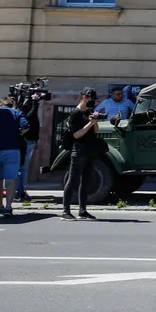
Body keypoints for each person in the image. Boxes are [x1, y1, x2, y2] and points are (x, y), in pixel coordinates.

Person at [62, 88, 101, 221]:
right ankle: (65, 211)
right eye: (90, 99)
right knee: (73, 180)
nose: (92, 102)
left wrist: (94, 120)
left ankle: (82, 211)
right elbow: (76, 134)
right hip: (79, 150)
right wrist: (90, 123)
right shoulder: (75, 113)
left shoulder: (88, 112)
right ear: (84, 97)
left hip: (90, 150)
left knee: (86, 181)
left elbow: (95, 131)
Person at [15, 90, 43, 203]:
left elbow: (34, 122)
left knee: (24, 169)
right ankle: (18, 192)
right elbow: (28, 118)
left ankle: (21, 190)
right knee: (21, 168)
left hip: (30, 140)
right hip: (25, 141)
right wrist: (35, 104)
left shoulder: (27, 106)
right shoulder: (23, 108)